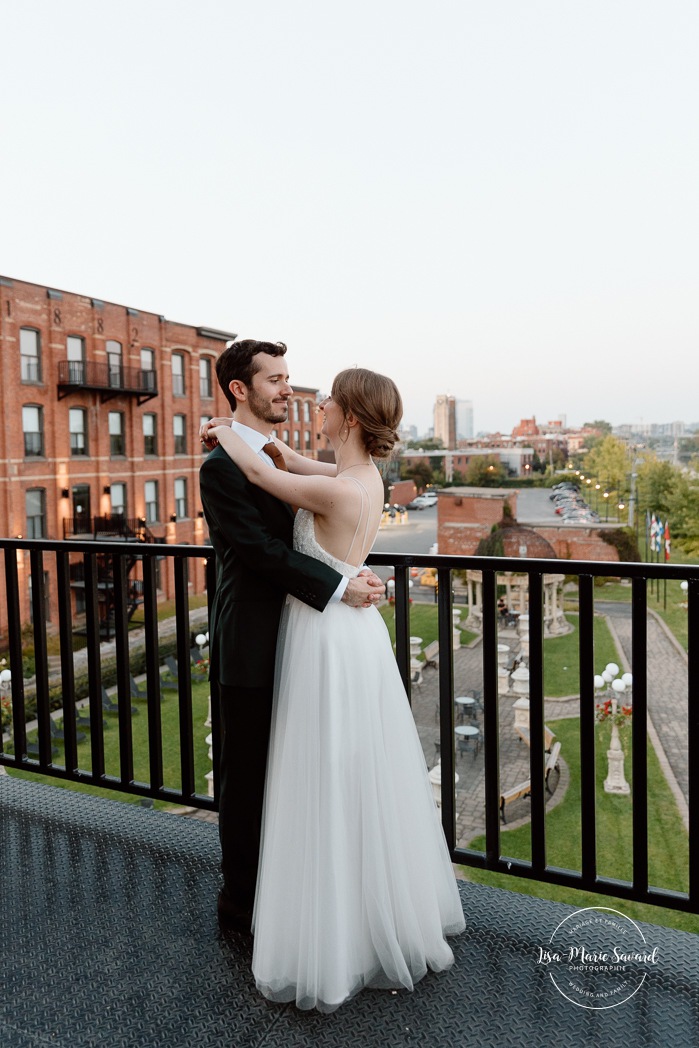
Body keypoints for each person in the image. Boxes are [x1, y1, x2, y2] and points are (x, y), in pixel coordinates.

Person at [208, 366, 465, 1013]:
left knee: (321, 776)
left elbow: (269, 477)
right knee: (350, 774)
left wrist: (220, 432)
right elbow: (287, 459)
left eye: (326, 399)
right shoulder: (356, 478)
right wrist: (251, 440)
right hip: (348, 635)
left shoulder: (344, 490)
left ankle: (329, 925)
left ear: (349, 417)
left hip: (325, 639)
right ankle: (350, 901)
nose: (313, 403)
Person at [199, 340, 384, 938]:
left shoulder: (279, 459)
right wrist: (341, 584)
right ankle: (244, 912)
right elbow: (259, 552)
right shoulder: (221, 467)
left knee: (301, 777)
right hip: (254, 644)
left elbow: (331, 507)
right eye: (275, 379)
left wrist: (345, 573)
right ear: (239, 390)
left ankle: (299, 901)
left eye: (288, 377)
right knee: (247, 781)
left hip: (308, 644)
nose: (288, 390)